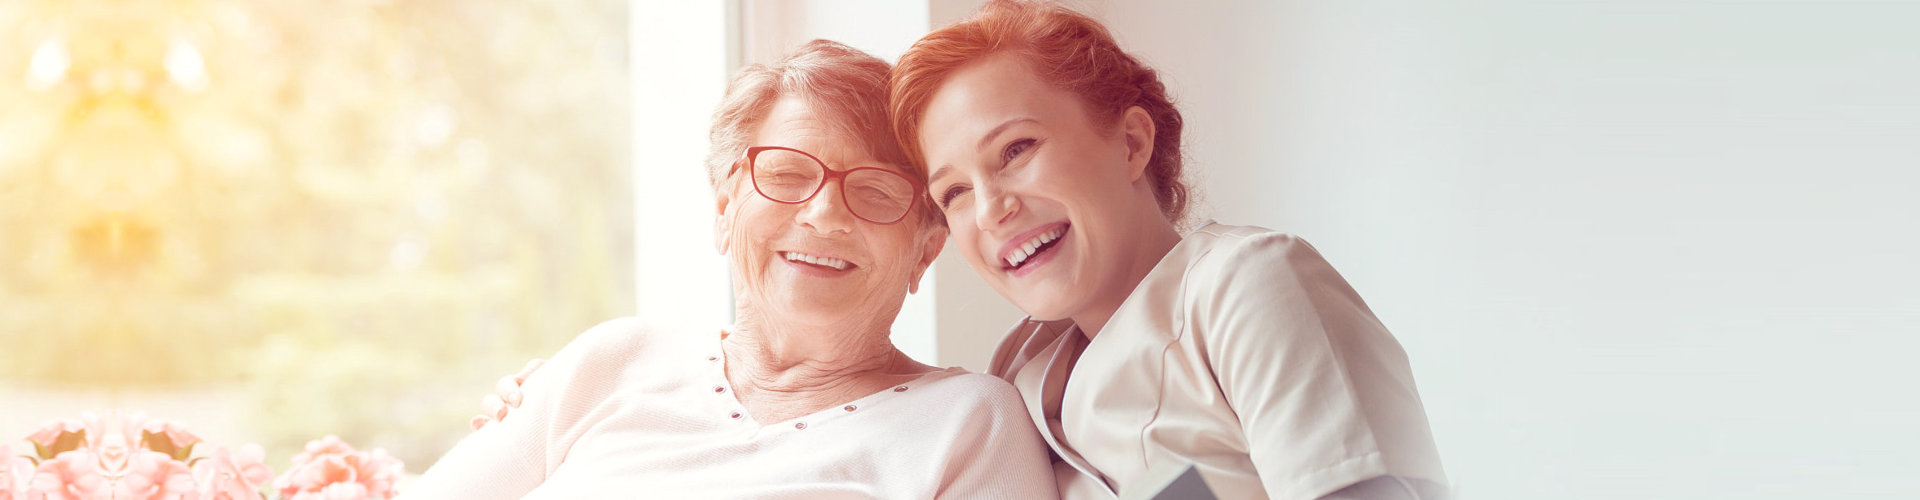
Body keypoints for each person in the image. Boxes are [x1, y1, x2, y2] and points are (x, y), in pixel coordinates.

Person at [405, 39, 1057, 499]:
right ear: (724, 210)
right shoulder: (614, 359)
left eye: (877, 190)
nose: (825, 214)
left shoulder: (970, 422)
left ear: (923, 250)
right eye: (786, 174)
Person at [885, 1, 1450, 499]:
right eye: (954, 192)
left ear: (1131, 143)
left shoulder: (1251, 286)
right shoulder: (1014, 380)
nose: (989, 210)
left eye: (1016, 149)